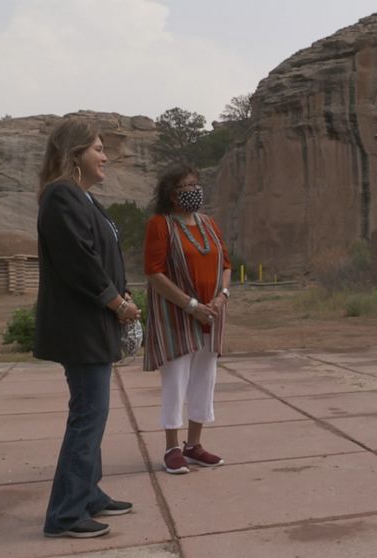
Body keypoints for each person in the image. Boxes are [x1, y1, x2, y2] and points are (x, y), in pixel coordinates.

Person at [35, 118, 141, 538]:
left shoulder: (85, 199)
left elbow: (104, 257)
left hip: (94, 324)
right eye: (97, 149)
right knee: (88, 416)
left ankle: (88, 494)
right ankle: (65, 514)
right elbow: (79, 260)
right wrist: (115, 302)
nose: (104, 157)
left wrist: (124, 295)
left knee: (93, 415)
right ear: (75, 154)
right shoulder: (62, 196)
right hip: (81, 327)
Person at [142, 163, 231, 474]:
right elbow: (154, 273)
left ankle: (193, 446)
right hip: (176, 316)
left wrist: (222, 296)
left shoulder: (209, 224)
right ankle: (171, 447)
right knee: (176, 379)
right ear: (171, 193)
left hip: (212, 313)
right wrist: (190, 304)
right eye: (186, 187)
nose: (194, 192)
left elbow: (227, 263)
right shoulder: (160, 225)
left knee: (204, 379)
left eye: (196, 185)